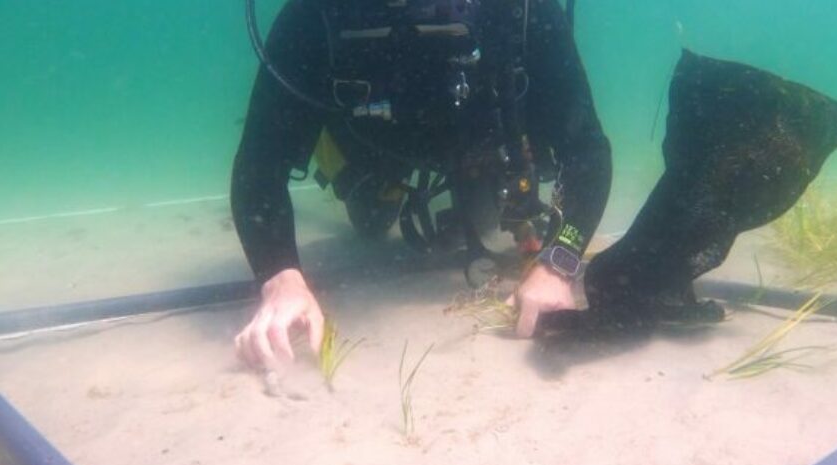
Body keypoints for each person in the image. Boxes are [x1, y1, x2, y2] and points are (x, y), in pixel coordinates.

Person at [229, 0, 611, 369]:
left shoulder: (520, 9)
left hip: (481, 152)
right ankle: (340, 159)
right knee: (370, 219)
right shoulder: (316, 14)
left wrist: (557, 264)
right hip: (373, 154)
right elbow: (259, 166)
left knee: (485, 221)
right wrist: (279, 277)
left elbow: (587, 151)